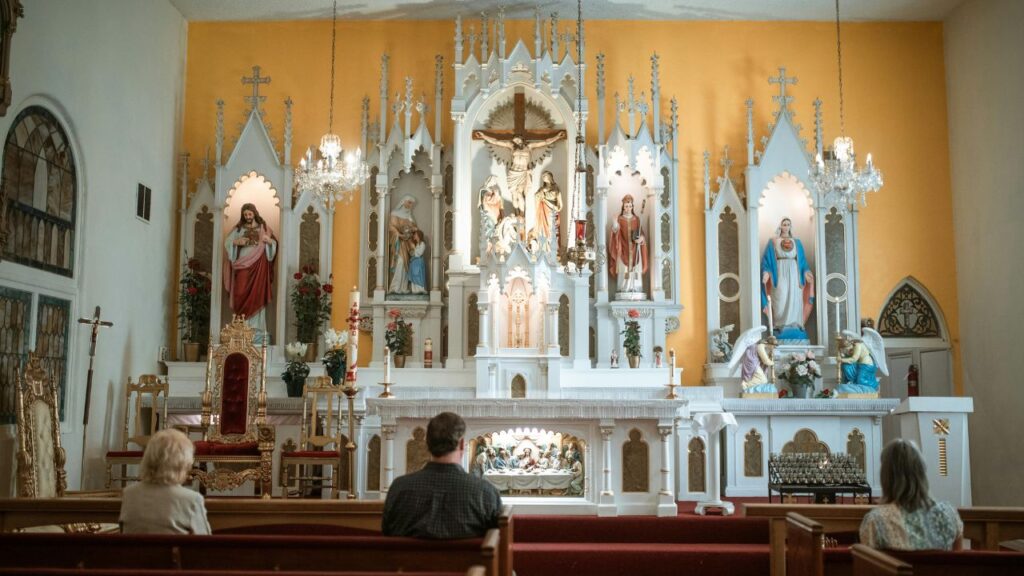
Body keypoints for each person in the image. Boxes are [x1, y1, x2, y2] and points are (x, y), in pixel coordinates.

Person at [382, 412, 502, 539]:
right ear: (462, 444)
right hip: (465, 559)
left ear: (427, 444)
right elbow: (496, 543)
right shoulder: (485, 492)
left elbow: (387, 533)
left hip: (410, 559)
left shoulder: (399, 488)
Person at [860, 439, 963, 550]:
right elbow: (960, 564)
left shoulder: (876, 521)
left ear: (886, 477)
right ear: (922, 472)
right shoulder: (949, 515)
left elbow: (869, 565)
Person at [119, 428, 210, 535]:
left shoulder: (129, 494)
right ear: (182, 463)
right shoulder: (192, 500)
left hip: (135, 552)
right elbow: (205, 546)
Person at [473, 130, 567, 219]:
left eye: (517, 140)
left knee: (519, 194)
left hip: (523, 173)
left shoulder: (529, 147)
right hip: (513, 173)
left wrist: (557, 137)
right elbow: (496, 142)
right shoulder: (511, 146)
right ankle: (516, 213)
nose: (516, 142)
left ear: (522, 139)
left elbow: (545, 142)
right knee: (514, 195)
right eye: (514, 141)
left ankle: (522, 216)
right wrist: (483, 136)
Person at [223, 202, 277, 341]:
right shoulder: (239, 228)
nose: (247, 216)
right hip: (242, 265)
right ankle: (241, 327)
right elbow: (228, 242)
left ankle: (257, 329)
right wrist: (236, 242)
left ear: (254, 213)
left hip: (259, 266)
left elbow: (274, 244)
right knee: (240, 292)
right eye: (245, 214)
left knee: (258, 294)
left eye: (250, 214)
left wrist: (269, 241)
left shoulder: (264, 228)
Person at [760, 217, 814, 341]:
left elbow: (802, 262)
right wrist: (766, 273)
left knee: (794, 298)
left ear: (790, 226)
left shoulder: (797, 242)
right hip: (779, 272)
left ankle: (794, 324)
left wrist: (806, 273)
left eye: (788, 224)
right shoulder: (773, 241)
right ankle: (780, 324)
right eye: (784, 224)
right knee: (781, 296)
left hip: (794, 273)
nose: (786, 226)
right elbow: (767, 261)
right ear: (780, 226)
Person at [609, 194, 648, 294]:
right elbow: (616, 230)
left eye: (630, 206)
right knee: (624, 269)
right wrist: (614, 222)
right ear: (623, 206)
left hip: (635, 249)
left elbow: (641, 232)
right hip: (623, 249)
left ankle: (636, 288)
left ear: (632, 206)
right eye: (626, 206)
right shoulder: (620, 219)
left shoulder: (637, 219)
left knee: (635, 269)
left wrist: (641, 239)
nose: (628, 208)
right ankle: (624, 288)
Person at [388, 195, 420, 294]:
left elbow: (415, 228)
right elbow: (391, 227)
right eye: (409, 202)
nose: (410, 205)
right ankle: (395, 287)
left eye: (412, 204)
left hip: (408, 242)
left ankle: (403, 287)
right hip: (399, 243)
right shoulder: (395, 213)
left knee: (407, 265)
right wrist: (399, 235)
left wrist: (412, 230)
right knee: (400, 263)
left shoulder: (409, 215)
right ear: (403, 202)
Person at [533, 171, 562, 249]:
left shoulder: (556, 188)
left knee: (551, 229)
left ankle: (552, 248)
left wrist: (545, 199)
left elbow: (560, 205)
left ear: (549, 177)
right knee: (543, 229)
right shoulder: (542, 189)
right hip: (543, 211)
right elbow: (536, 196)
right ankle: (544, 248)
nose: (543, 178)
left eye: (544, 176)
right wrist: (541, 193)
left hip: (552, 212)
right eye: (542, 176)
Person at [407, 229, 427, 295]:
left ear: (418, 235)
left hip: (419, 263)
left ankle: (420, 290)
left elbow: (419, 253)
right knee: (414, 276)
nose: (414, 236)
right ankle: (415, 290)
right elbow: (412, 253)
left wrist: (413, 252)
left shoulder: (422, 244)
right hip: (414, 264)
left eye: (415, 234)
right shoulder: (417, 245)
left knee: (418, 276)